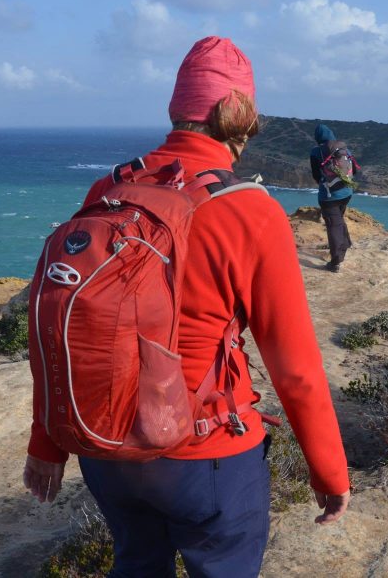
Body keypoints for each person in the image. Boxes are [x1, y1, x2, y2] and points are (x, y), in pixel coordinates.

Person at [22, 36, 351, 578]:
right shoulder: (249, 209)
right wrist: (330, 474)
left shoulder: (109, 187)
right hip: (206, 457)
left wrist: (48, 443)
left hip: (106, 448)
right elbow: (295, 371)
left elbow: (62, 326)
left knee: (135, 564)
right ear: (239, 116)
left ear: (177, 108)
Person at [309, 124, 354, 272]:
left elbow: (316, 175)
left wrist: (326, 183)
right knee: (338, 218)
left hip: (329, 196)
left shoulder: (316, 152)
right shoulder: (344, 149)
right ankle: (346, 243)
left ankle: (336, 261)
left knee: (333, 225)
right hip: (346, 193)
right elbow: (354, 171)